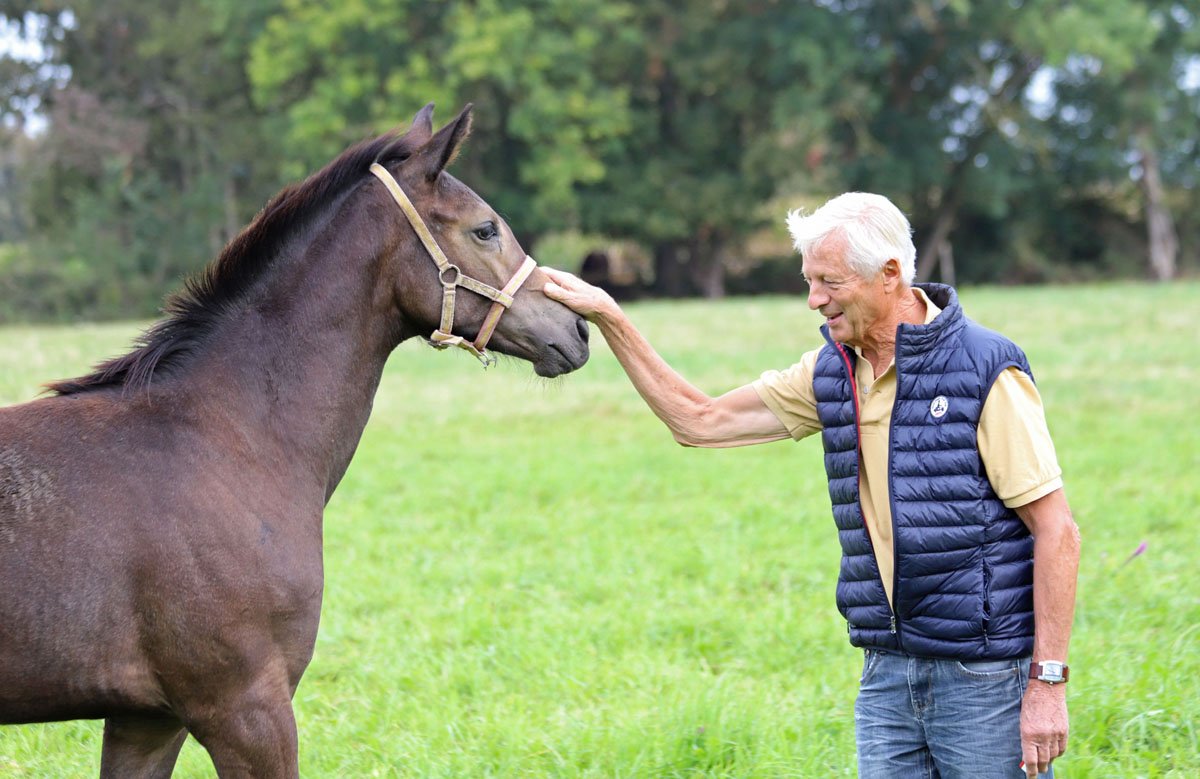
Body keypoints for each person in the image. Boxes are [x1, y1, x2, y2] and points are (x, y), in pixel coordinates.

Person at [543, 192, 1080, 779]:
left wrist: (1048, 683)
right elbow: (699, 421)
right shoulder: (829, 371)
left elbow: (1057, 531)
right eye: (809, 281)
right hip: (886, 671)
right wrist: (611, 317)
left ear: (890, 275)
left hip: (985, 677)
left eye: (829, 282)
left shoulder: (984, 368)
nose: (813, 299)